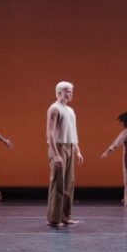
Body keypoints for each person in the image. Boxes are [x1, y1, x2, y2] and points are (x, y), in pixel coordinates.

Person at [46, 81, 83, 227]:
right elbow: (50, 132)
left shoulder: (71, 110)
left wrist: (77, 150)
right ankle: (54, 219)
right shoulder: (54, 108)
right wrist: (56, 154)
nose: (70, 93)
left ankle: (65, 216)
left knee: (69, 183)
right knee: (58, 183)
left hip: (70, 146)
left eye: (71, 91)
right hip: (58, 147)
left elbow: (72, 132)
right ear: (59, 92)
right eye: (67, 91)